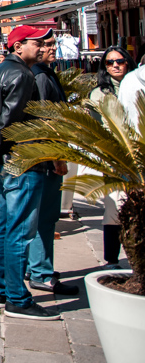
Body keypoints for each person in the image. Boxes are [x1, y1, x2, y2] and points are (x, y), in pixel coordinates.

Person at [0, 24, 62, 321]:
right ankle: (17, 298)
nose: (42, 47)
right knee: (19, 231)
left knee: (3, 226)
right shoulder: (22, 75)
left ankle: (1, 289)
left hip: (5, 161)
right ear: (18, 46)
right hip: (22, 161)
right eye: (37, 43)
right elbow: (8, 122)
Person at [25, 36, 79, 296]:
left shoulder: (43, 73)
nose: (51, 49)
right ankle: (41, 272)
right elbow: (46, 119)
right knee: (45, 217)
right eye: (46, 45)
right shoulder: (40, 77)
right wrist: (57, 155)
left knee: (40, 217)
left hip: (44, 155)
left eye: (53, 44)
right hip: (46, 157)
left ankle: (35, 267)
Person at [91, 46, 135, 266]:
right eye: (110, 63)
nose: (115, 65)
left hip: (139, 156)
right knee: (114, 207)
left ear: (128, 62)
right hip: (114, 158)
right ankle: (112, 258)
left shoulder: (137, 86)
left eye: (120, 61)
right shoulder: (100, 93)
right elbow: (94, 126)